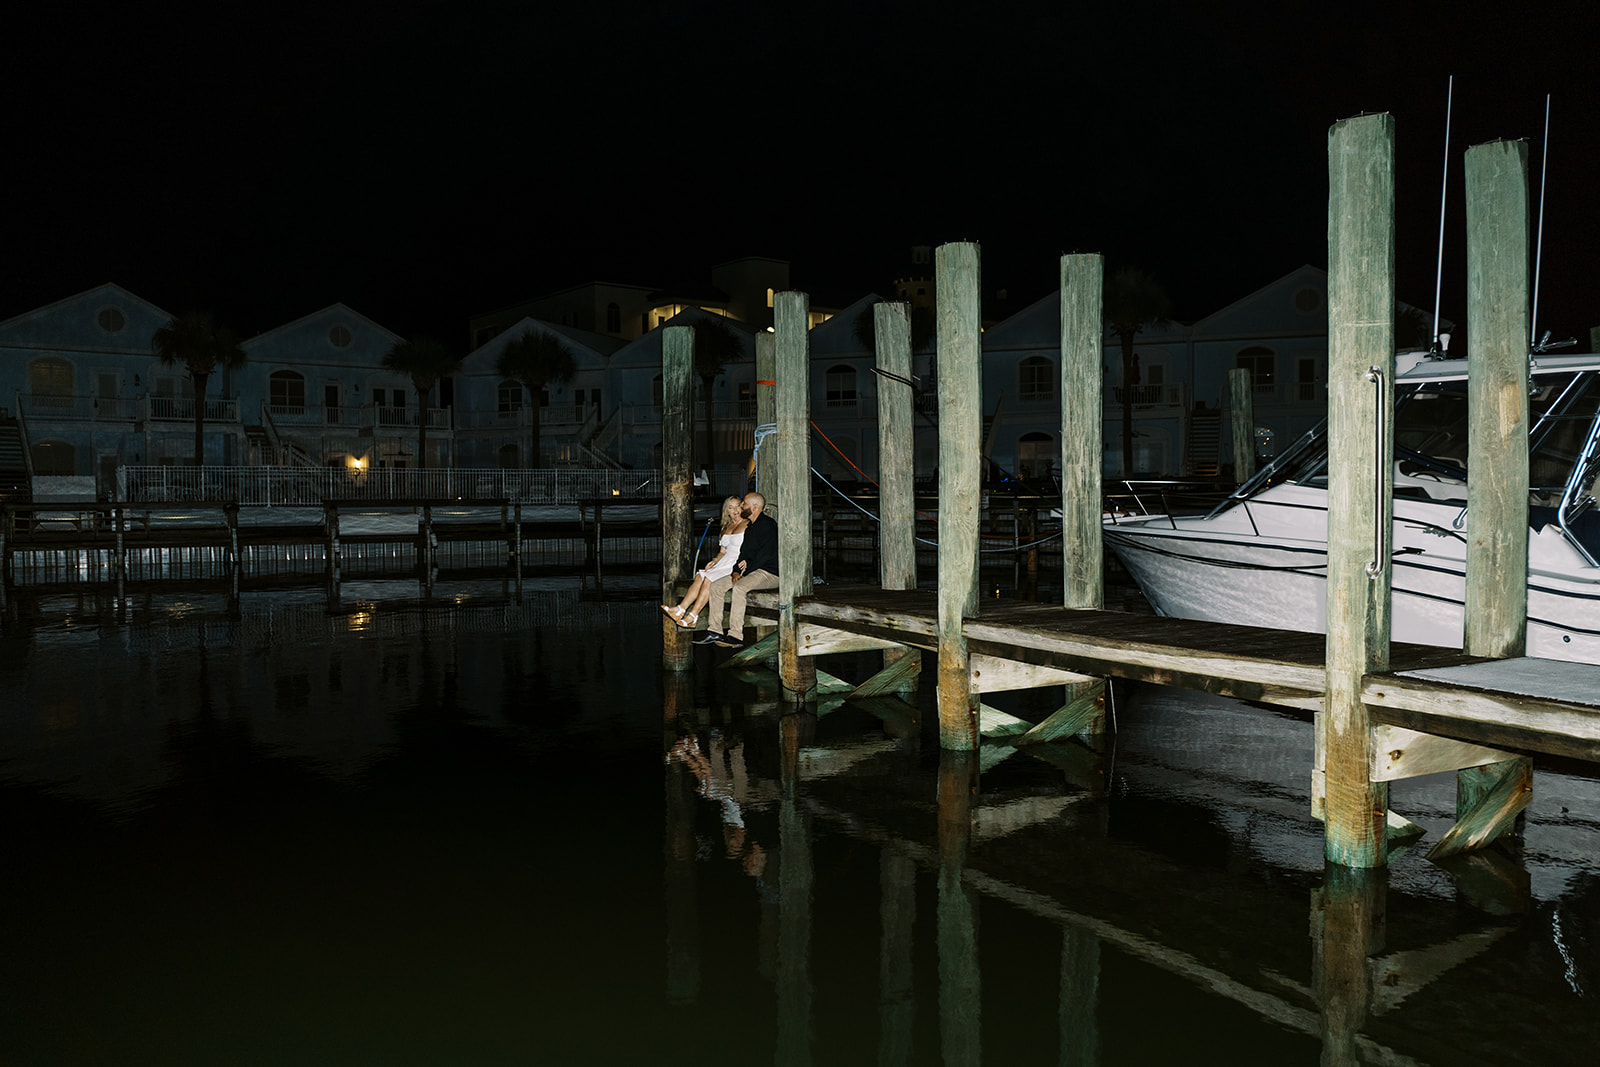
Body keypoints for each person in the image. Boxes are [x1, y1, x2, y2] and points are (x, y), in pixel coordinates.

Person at [695, 491, 779, 648]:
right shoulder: (750, 527)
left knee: (739, 587)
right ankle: (715, 631)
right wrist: (735, 571)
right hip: (750, 571)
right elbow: (743, 554)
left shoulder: (768, 525)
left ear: (754, 507)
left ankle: (735, 636)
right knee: (716, 586)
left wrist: (746, 572)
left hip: (769, 572)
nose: (741, 506)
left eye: (744, 504)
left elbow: (766, 555)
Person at [663, 496, 746, 629]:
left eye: (737, 506)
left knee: (708, 579)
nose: (735, 510)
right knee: (700, 576)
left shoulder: (748, 524)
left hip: (736, 562)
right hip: (724, 562)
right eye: (730, 508)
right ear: (727, 511)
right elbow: (722, 552)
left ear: (742, 506)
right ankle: (680, 609)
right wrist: (714, 560)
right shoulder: (726, 527)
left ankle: (693, 616)